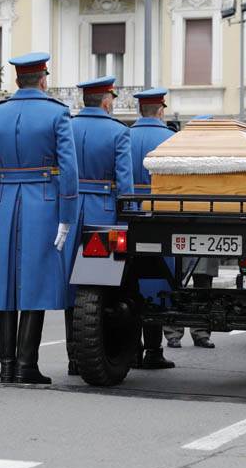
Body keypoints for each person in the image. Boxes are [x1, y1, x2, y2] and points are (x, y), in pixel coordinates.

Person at [0, 52, 78, 384]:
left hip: (5, 202)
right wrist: (67, 216)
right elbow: (69, 169)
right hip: (43, 203)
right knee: (36, 281)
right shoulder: (57, 113)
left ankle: (7, 366)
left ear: (17, 80)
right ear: (43, 79)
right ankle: (26, 364)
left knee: (5, 283)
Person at [62, 75, 134, 376]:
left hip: (68, 212)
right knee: (99, 287)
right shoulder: (119, 132)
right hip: (103, 215)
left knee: (72, 287)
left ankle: (73, 357)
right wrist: (127, 220)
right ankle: (95, 352)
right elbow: (125, 184)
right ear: (106, 102)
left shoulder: (67, 126)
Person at [128, 88, 177, 370]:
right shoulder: (170, 139)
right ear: (160, 111)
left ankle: (132, 349)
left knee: (130, 282)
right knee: (157, 284)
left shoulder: (126, 136)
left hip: (128, 213)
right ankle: (154, 350)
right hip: (159, 213)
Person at [165, 115, 216, 350]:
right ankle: (175, 333)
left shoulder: (216, 157)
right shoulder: (179, 153)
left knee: (201, 284)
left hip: (204, 226)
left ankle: (199, 332)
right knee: (177, 281)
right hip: (183, 225)